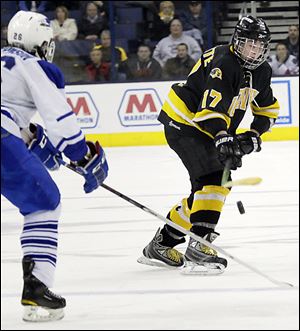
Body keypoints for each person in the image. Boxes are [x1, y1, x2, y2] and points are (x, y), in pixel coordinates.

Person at [138, 16, 279, 274]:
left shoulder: (262, 71)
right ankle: (198, 247)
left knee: (203, 194)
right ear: (237, 42)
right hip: (184, 122)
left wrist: (253, 136)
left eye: (259, 46)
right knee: (215, 180)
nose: (254, 51)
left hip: (208, 128)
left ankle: (162, 244)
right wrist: (224, 138)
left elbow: (268, 110)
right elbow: (209, 112)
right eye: (249, 45)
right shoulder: (224, 63)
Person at [1, 10, 108, 322]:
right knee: (44, 204)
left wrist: (33, 138)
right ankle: (37, 291)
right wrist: (82, 155)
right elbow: (60, 120)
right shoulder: (36, 65)